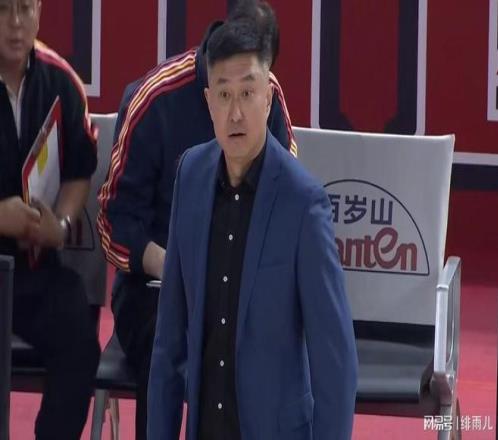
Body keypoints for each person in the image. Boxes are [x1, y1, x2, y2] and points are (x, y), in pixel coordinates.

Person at [147, 10, 358, 440]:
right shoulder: (191, 175)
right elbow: (169, 340)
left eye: (248, 92)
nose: (236, 113)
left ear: (269, 96)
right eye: (224, 95)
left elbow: (335, 363)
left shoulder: (303, 202)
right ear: (208, 102)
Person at [97, 1, 296, 438]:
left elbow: (287, 208)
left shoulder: (269, 96)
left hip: (243, 286)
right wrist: (172, 266)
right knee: (165, 342)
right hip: (155, 288)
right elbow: (113, 223)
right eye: (227, 91)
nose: (240, 108)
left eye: (255, 81)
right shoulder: (154, 99)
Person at [0, 0, 100, 438]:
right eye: (3, 10)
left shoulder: (62, 81)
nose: (15, 23)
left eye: (25, 8)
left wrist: (58, 226)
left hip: (36, 268)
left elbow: (79, 172)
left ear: (39, 11)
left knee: (79, 340)